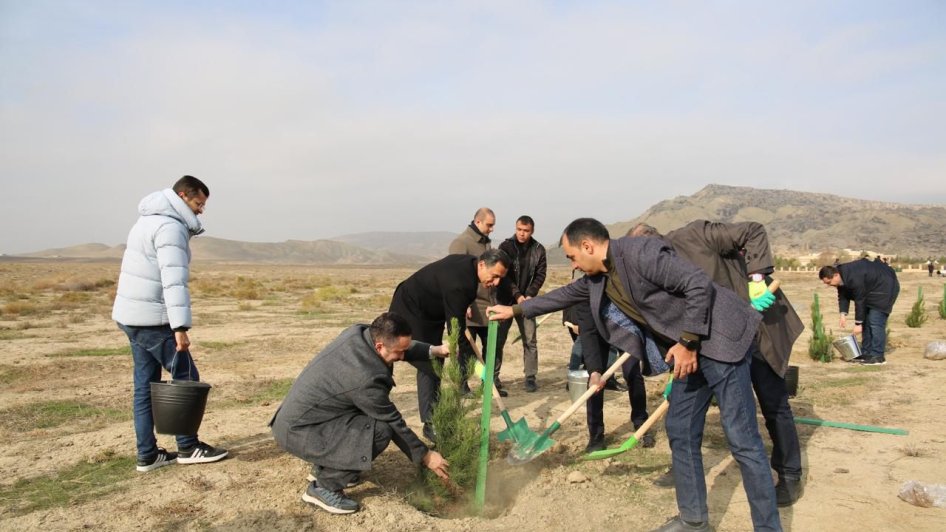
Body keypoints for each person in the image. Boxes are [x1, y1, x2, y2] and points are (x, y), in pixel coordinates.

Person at [489, 218, 781, 532]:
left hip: (721, 340)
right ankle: (694, 520)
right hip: (689, 351)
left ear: (588, 246)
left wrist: (687, 341)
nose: (572, 264)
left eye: (572, 256)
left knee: (743, 439)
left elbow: (697, 283)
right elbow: (564, 295)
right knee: (680, 430)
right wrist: (515, 311)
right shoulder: (599, 277)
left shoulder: (641, 252)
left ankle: (768, 527)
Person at [630, 221, 805, 506]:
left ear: (657, 244)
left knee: (773, 402)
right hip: (713, 345)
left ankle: (789, 475)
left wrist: (757, 279)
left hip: (756, 328)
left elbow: (753, 230)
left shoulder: (697, 235)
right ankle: (684, 469)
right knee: (686, 411)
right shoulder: (657, 271)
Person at [270, 313, 451, 514]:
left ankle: (326, 466)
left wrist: (433, 350)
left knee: (363, 416)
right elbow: (392, 420)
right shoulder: (364, 378)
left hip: (308, 420)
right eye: (399, 353)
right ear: (380, 346)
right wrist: (425, 456)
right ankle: (324, 486)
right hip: (300, 431)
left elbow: (399, 345)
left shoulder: (360, 334)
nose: (402, 357)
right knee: (380, 431)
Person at [112, 175, 228, 472]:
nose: (202, 210)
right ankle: (188, 446)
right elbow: (173, 280)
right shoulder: (169, 227)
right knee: (186, 377)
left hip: (132, 316)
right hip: (153, 319)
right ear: (182, 196)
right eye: (199, 203)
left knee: (146, 386)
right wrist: (181, 328)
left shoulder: (147, 220)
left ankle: (147, 455)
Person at [389, 249, 510, 442]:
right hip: (412, 308)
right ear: (481, 265)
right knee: (429, 363)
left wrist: (462, 308)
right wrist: (475, 365)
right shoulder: (461, 284)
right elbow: (456, 331)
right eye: (494, 276)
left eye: (500, 278)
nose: (496, 283)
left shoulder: (471, 267)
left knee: (434, 360)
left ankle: (437, 416)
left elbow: (455, 312)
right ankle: (431, 424)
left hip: (431, 312)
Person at [449, 208, 508, 395]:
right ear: (478, 222)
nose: (491, 229)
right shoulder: (461, 243)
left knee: (492, 349)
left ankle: (488, 383)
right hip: (470, 307)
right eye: (489, 225)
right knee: (466, 351)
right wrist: (463, 303)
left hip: (488, 306)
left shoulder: (487, 244)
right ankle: (462, 386)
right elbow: (454, 276)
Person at [497, 215, 547, 392]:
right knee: (498, 340)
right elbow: (503, 275)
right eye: (519, 229)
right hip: (504, 301)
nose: (522, 234)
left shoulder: (539, 249)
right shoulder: (505, 247)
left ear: (531, 231)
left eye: (526, 231)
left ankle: (531, 377)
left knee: (530, 339)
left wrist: (529, 295)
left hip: (528, 301)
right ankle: (493, 378)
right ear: (515, 228)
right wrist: (517, 295)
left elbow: (540, 275)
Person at [819, 259, 900, 365]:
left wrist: (858, 324)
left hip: (885, 288)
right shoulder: (842, 277)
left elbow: (859, 300)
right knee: (866, 322)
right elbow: (843, 295)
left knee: (875, 322)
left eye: (829, 282)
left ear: (835, 275)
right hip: (871, 291)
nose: (829, 285)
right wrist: (843, 314)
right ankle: (866, 352)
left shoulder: (853, 277)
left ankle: (878, 356)